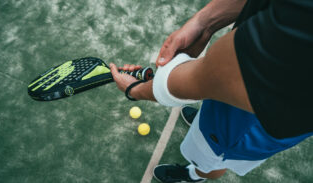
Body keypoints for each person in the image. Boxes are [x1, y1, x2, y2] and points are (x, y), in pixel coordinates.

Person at [109, 0, 313, 182]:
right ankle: (205, 122)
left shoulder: (298, 30)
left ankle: (195, 175)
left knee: (213, 159)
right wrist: (203, 23)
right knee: (212, 113)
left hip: (246, 127)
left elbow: (207, 79)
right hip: (248, 90)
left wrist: (135, 90)